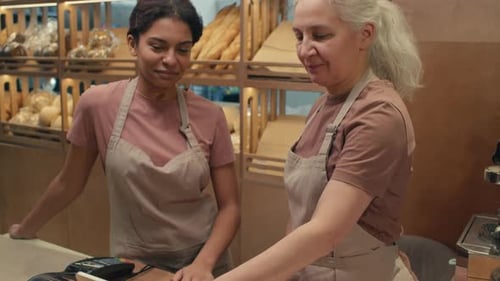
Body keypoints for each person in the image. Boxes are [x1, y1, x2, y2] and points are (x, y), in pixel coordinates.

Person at [9, 0, 240, 280]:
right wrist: (26, 228)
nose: (171, 59)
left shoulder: (211, 115)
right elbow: (69, 182)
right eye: (157, 47)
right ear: (132, 44)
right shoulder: (98, 104)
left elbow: (230, 207)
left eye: (183, 49)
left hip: (201, 265)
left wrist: (203, 264)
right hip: (132, 266)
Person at [215, 0, 422, 280]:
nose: (304, 50)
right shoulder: (323, 105)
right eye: (299, 36)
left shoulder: (379, 115)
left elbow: (325, 232)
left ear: (366, 34)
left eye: (321, 35)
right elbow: (301, 223)